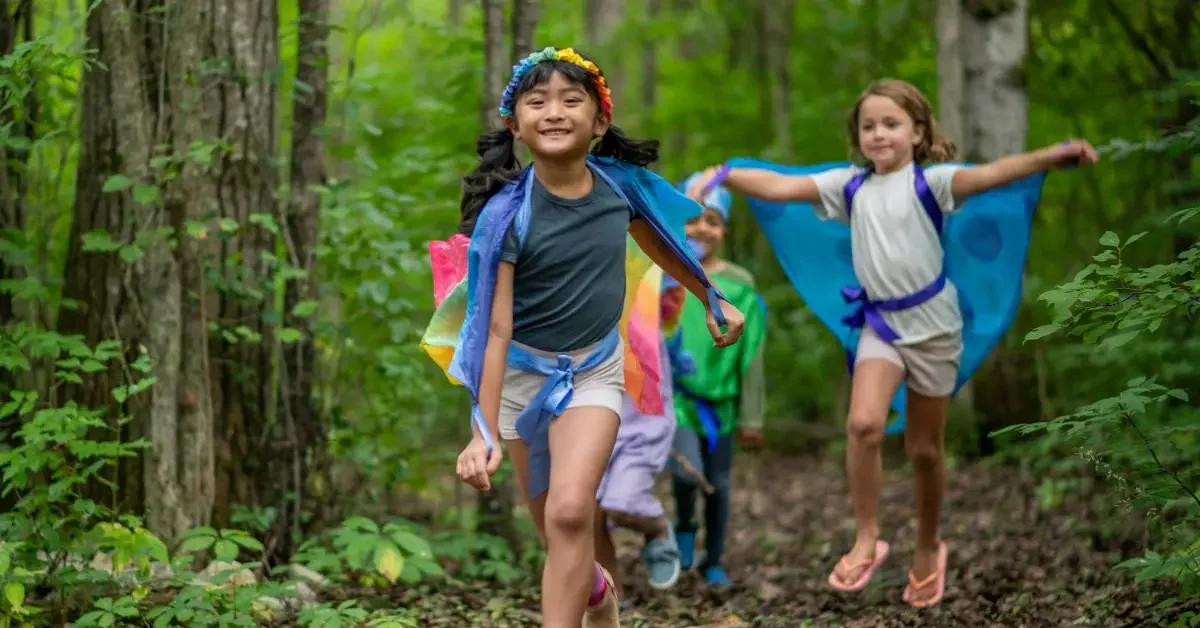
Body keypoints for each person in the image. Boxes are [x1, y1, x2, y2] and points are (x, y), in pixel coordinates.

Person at [686, 78, 1099, 607]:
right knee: (862, 424)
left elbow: (993, 174)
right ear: (857, 138)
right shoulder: (849, 187)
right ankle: (866, 538)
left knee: (924, 450)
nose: (879, 134)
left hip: (934, 328)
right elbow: (781, 187)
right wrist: (722, 174)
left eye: (891, 123)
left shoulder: (935, 183)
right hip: (879, 325)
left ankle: (928, 545)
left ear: (918, 131)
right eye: (868, 126)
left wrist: (1052, 156)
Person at [420, 47, 745, 628]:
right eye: (537, 101)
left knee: (573, 513)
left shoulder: (619, 189)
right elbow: (494, 329)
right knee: (555, 531)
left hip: (594, 369)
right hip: (520, 375)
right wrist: (482, 429)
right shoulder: (506, 216)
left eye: (572, 100)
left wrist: (708, 294)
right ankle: (597, 589)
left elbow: (659, 241)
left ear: (598, 122)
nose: (554, 111)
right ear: (515, 125)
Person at [666, 178, 768, 590]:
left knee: (720, 483)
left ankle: (714, 560)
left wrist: (752, 416)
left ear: (723, 230)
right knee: (688, 474)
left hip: (723, 405)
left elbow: (753, 352)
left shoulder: (741, 285)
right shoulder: (666, 273)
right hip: (676, 400)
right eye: (691, 219)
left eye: (712, 220)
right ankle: (685, 528)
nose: (700, 229)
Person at [593, 277, 690, 597]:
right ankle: (610, 604)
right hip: (591, 412)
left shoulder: (644, 269)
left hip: (642, 417)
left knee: (621, 504)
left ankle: (657, 528)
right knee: (590, 515)